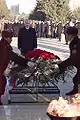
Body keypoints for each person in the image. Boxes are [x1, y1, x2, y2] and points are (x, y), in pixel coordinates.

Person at [0, 30, 27, 105]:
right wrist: (26, 62)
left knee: (2, 81)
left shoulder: (3, 44)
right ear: (5, 38)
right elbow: (14, 57)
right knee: (1, 82)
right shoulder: (5, 47)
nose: (11, 39)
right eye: (10, 38)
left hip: (2, 67)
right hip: (1, 67)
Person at [58, 26, 80, 95]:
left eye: (66, 34)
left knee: (78, 79)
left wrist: (61, 66)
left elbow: (74, 58)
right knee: (76, 79)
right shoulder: (74, 42)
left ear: (70, 35)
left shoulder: (77, 44)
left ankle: (77, 93)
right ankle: (76, 91)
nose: (65, 36)